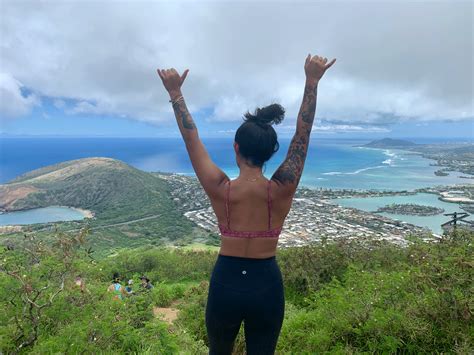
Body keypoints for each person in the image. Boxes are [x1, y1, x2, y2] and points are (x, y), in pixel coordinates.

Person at [157, 53, 336, 354]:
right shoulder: (282, 189)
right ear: (270, 152)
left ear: (236, 148)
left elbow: (192, 140)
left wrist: (175, 93)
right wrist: (312, 81)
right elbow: (302, 135)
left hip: (226, 280)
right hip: (266, 282)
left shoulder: (220, 189)